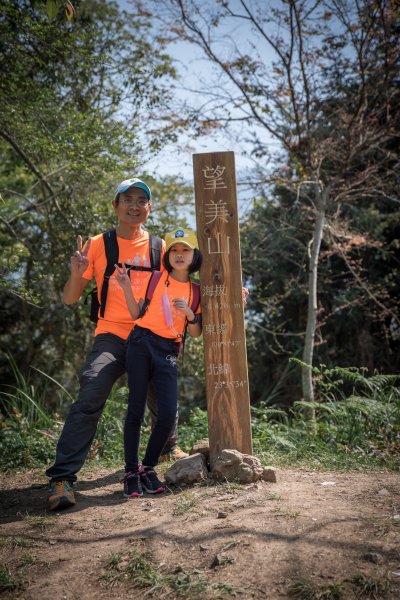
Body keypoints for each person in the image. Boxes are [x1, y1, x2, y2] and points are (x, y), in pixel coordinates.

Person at [46, 178, 188, 511]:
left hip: (151, 335)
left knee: (160, 391)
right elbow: (70, 299)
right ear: (115, 205)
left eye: (142, 200)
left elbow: (183, 286)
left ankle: (168, 447)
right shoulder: (97, 245)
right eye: (128, 199)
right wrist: (75, 272)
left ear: (149, 208)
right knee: (92, 390)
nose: (135, 205)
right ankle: (62, 478)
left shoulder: (160, 247)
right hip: (111, 335)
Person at [114, 228, 202, 497]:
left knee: (166, 415)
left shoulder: (195, 291)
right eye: (174, 250)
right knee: (136, 410)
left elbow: (197, 332)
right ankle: (131, 471)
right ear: (167, 255)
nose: (179, 255)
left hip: (168, 350)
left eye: (185, 250)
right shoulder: (155, 278)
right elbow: (135, 312)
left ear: (194, 256)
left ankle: (147, 467)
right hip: (140, 343)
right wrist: (127, 286)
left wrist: (189, 314)